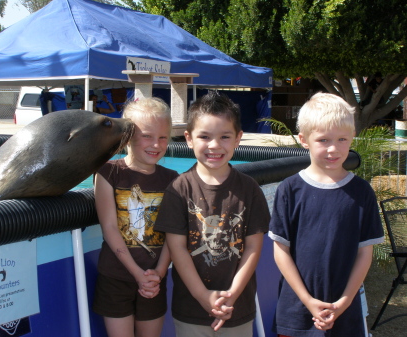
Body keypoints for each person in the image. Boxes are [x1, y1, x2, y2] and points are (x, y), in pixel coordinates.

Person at [268, 92, 385, 337]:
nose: (333, 149)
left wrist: (344, 301)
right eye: (323, 140)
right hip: (296, 311)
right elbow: (281, 251)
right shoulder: (289, 190)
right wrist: (308, 300)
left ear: (353, 136)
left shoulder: (362, 193)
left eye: (342, 139)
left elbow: (365, 253)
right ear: (304, 139)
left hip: (346, 311)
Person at [155, 91, 270, 337]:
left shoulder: (249, 190)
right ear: (188, 138)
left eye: (225, 137)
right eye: (204, 137)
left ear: (238, 138)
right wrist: (203, 296)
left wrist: (231, 296)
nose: (215, 145)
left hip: (238, 307)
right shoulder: (179, 189)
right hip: (191, 309)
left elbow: (253, 249)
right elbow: (178, 249)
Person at [92, 97, 179, 337]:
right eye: (147, 136)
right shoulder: (108, 173)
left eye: (163, 137)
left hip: (154, 280)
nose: (156, 144)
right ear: (128, 136)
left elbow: (173, 232)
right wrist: (136, 273)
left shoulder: (172, 179)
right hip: (116, 277)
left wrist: (159, 273)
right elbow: (109, 227)